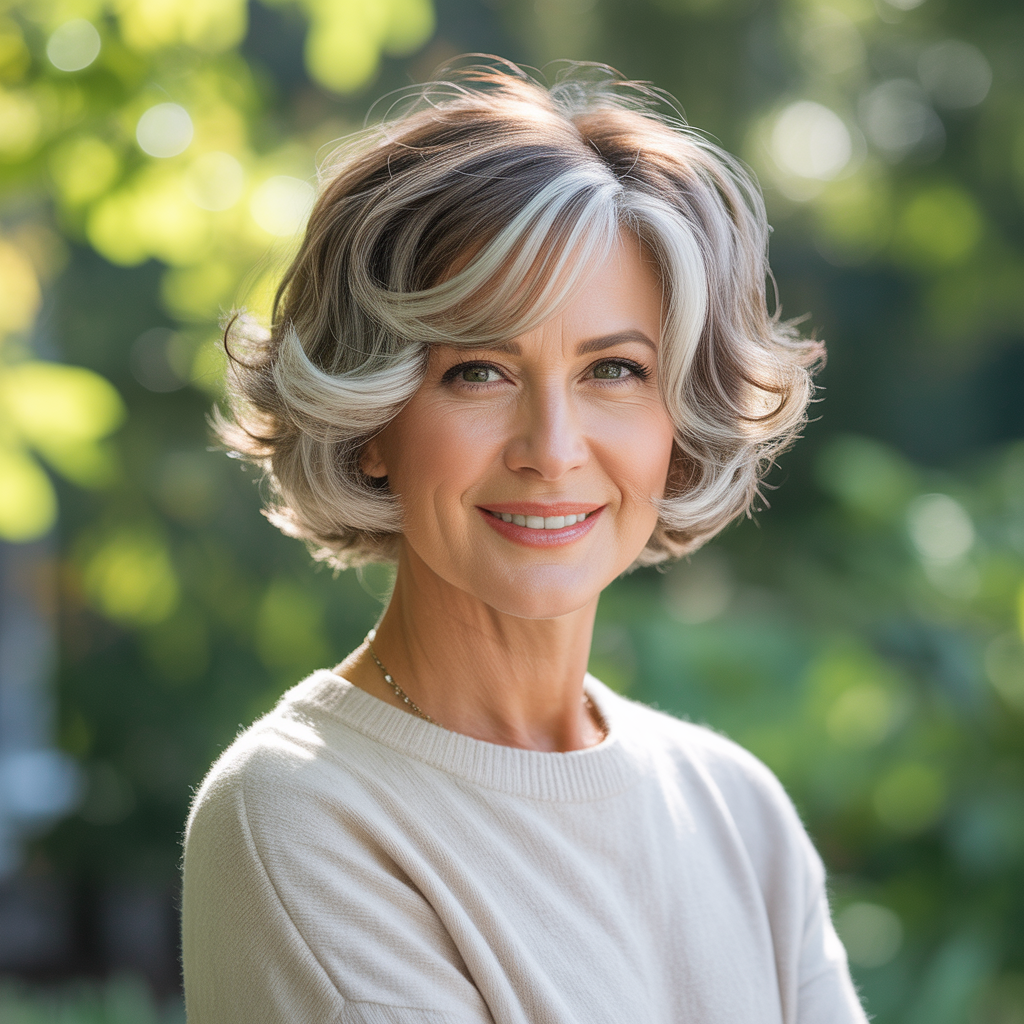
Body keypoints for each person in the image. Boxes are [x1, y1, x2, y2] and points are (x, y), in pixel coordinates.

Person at [181, 60, 867, 1024]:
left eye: (616, 369)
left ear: (680, 423)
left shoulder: (738, 811)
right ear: (372, 419)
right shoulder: (301, 814)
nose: (552, 450)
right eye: (479, 372)